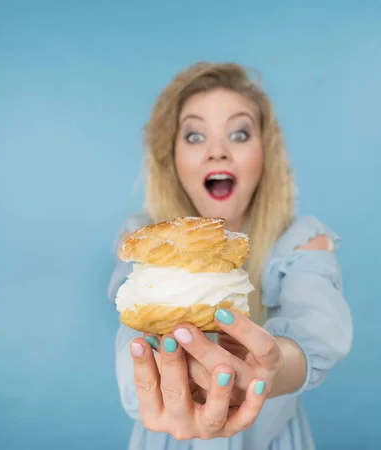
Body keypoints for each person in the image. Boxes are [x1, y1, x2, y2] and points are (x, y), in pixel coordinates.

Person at [107, 61, 353, 450]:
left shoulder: (300, 242)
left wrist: (269, 369)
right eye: (194, 136)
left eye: (239, 133)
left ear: (264, 155)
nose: (217, 152)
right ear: (170, 158)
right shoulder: (145, 242)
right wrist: (152, 384)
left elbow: (317, 335)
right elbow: (130, 346)